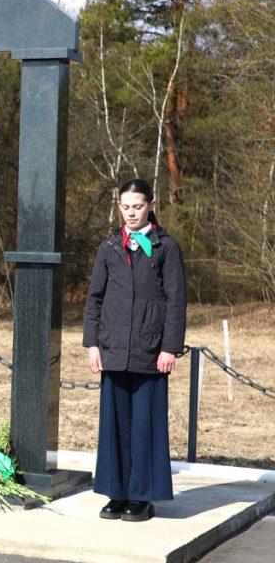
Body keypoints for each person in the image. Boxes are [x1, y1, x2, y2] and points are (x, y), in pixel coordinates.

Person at [82, 178, 186, 523]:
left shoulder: (166, 247)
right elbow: (94, 298)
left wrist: (169, 347)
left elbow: (175, 301)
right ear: (119, 208)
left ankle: (141, 497)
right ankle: (116, 493)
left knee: (144, 426)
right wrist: (92, 343)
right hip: (112, 349)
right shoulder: (109, 246)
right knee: (115, 426)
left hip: (150, 350)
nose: (131, 212)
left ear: (151, 205)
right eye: (125, 206)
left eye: (137, 206)